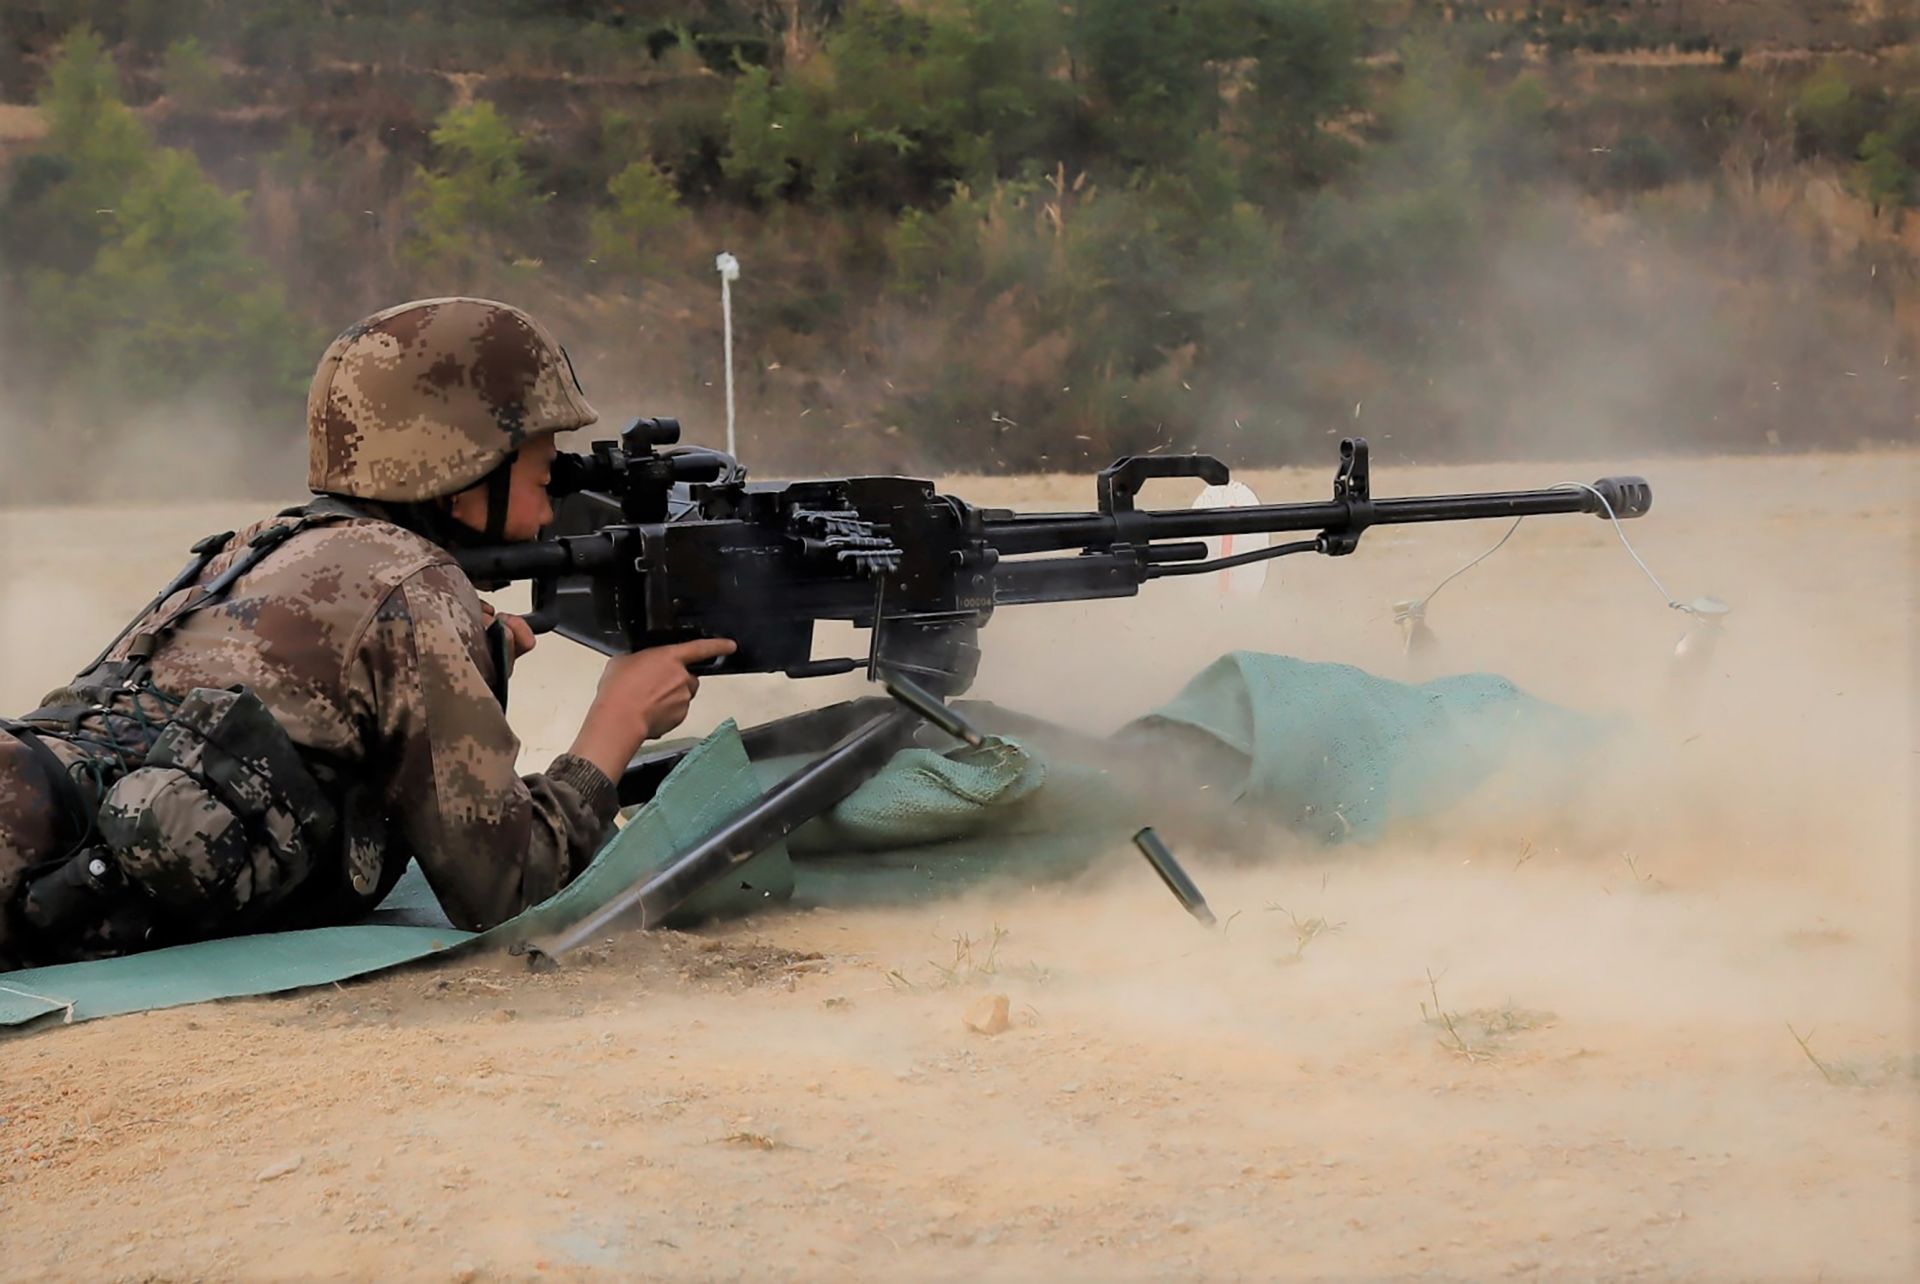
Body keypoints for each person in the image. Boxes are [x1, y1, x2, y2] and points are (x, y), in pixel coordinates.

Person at [0, 297, 733, 970]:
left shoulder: (262, 542)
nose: (556, 487)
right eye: (543, 466)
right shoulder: (410, 582)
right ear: (465, 461)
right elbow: (510, 889)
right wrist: (618, 722)